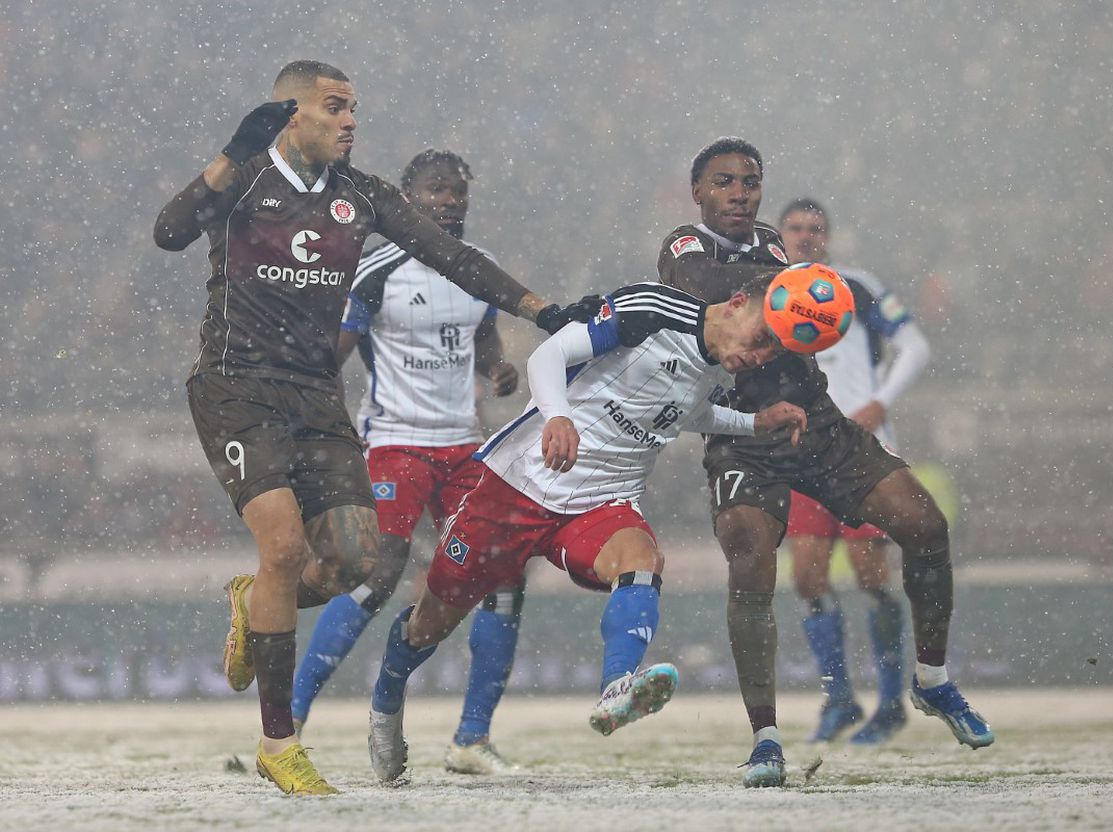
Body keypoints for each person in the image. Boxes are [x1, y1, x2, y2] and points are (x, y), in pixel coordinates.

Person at [153, 60, 594, 795]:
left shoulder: (361, 195)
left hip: (316, 397)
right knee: (286, 546)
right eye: (335, 106)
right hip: (238, 388)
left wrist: (539, 310)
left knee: (358, 563)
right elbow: (168, 232)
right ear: (291, 114)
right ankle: (278, 743)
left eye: (354, 106)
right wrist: (230, 154)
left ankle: (252, 600)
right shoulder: (249, 179)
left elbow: (454, 256)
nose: (351, 119)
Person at [364, 275, 812, 785]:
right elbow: (547, 357)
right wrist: (557, 416)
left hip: (603, 500)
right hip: (521, 484)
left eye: (771, 351)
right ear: (735, 303)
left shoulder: (715, 367)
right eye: (760, 339)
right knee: (429, 623)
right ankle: (385, 704)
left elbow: (683, 411)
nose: (759, 357)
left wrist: (754, 422)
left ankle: (617, 687)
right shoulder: (651, 307)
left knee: (642, 560)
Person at [658, 137, 992, 789]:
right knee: (751, 556)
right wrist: (788, 289)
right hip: (742, 431)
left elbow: (792, 306)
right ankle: (767, 741)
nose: (739, 192)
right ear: (697, 191)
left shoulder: (774, 248)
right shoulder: (684, 248)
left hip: (816, 421)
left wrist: (792, 292)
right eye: (724, 181)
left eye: (750, 181)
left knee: (925, 525)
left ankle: (931, 681)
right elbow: (702, 289)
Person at [289, 149, 526, 776]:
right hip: (396, 442)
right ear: (407, 196)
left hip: (466, 445)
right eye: (437, 190)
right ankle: (289, 717)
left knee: (504, 577)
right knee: (375, 571)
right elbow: (330, 357)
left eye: (458, 192)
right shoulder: (373, 267)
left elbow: (482, 339)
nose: (450, 201)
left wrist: (496, 368)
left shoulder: (482, 270)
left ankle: (470, 740)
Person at [778, 197, 932, 744]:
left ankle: (890, 703)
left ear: (828, 236)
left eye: (815, 229)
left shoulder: (854, 287)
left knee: (871, 575)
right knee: (808, 578)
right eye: (795, 228)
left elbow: (914, 345)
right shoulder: (767, 293)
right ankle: (839, 698)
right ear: (779, 233)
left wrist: (882, 401)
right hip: (799, 456)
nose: (805, 237)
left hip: (861, 455)